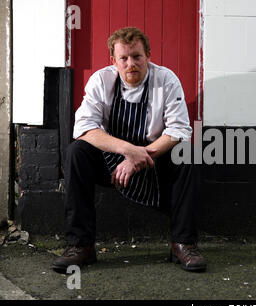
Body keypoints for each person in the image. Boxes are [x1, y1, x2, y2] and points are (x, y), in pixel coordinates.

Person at [51, 27, 206, 273]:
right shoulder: (101, 80)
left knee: (189, 154)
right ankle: (81, 245)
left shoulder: (166, 80)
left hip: (155, 158)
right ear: (113, 60)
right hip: (109, 159)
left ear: (148, 56)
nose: (130, 63)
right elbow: (84, 128)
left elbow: (179, 130)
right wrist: (127, 150)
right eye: (123, 58)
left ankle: (183, 243)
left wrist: (138, 157)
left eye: (137, 56)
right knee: (76, 153)